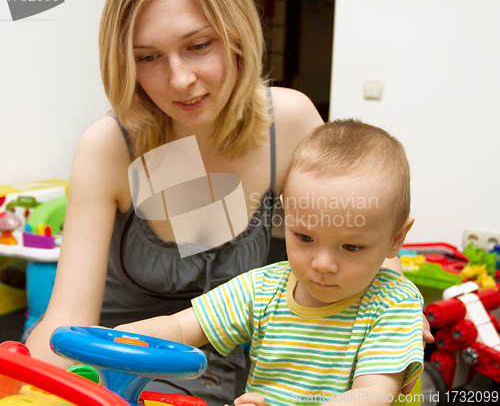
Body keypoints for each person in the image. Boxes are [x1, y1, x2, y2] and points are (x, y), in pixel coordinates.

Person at [24, 0, 429, 403]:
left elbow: (358, 220)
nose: (180, 79)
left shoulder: (287, 123)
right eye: (148, 57)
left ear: (237, 35)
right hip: (108, 367)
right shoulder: (109, 147)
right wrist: (26, 387)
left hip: (228, 380)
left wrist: (396, 313)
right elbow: (69, 319)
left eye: (198, 46)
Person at [114, 120, 424, 406]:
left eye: (351, 246)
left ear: (396, 240)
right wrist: (112, 340)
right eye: (304, 237)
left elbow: (373, 393)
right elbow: (180, 327)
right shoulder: (263, 288)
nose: (323, 263)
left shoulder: (393, 304)